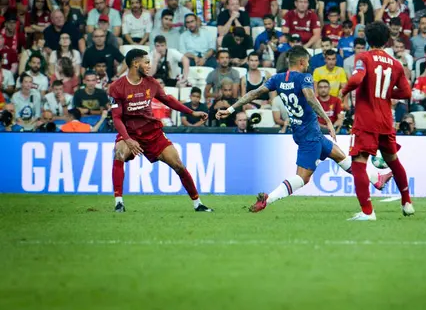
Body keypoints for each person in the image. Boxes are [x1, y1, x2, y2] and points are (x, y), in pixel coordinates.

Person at [215, 46, 354, 214]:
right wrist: (327, 121)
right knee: (302, 178)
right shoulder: (305, 78)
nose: (308, 64)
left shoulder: (278, 78)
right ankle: (269, 199)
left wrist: (230, 109)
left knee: (341, 158)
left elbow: (254, 93)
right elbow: (310, 97)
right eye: (307, 62)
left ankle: (376, 180)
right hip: (310, 135)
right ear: (302, 62)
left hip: (301, 131)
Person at [109, 48, 212, 212]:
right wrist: (127, 139)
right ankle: (118, 203)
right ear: (136, 64)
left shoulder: (151, 83)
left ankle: (197, 204)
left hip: (153, 133)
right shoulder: (117, 87)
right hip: (130, 134)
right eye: (147, 62)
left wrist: (191, 112)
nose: (149, 66)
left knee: (178, 165)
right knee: (119, 153)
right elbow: (116, 118)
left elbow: (168, 100)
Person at [340, 21, 414, 220]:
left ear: (367, 39)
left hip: (366, 121)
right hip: (386, 121)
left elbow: (357, 79)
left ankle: (367, 212)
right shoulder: (396, 64)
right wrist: (388, 93)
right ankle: (407, 201)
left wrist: (344, 90)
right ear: (387, 40)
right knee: (393, 161)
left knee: (358, 164)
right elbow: (407, 92)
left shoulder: (363, 57)